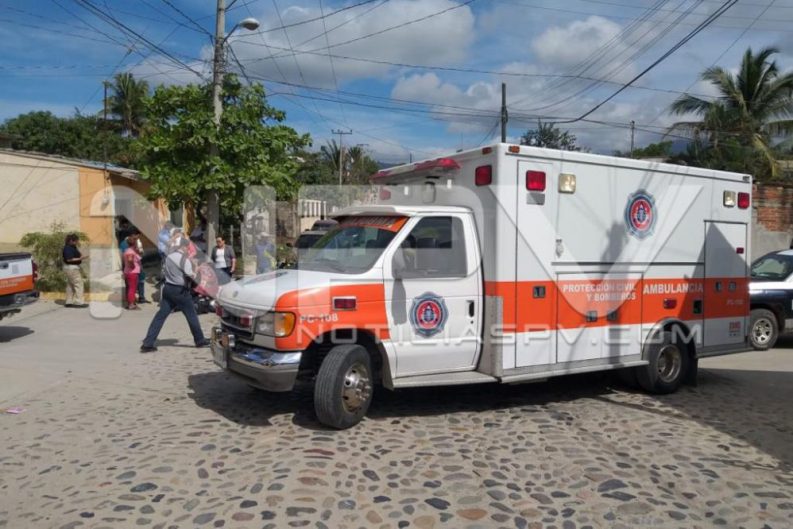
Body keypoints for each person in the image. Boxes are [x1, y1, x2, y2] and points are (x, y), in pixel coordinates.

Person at [140, 238, 210, 353]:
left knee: (160, 317)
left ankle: (148, 343)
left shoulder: (169, 257)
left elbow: (164, 271)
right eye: (188, 248)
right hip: (180, 291)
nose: (189, 250)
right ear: (183, 247)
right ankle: (200, 340)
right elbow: (191, 276)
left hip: (168, 288)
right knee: (191, 315)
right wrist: (197, 269)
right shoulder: (184, 259)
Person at [62, 233, 88, 308]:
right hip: (72, 267)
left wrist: (81, 256)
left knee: (70, 285)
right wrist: (80, 258)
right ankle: (79, 302)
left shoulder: (72, 247)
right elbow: (69, 259)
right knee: (78, 284)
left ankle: (69, 301)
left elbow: (77, 254)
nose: (77, 242)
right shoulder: (67, 248)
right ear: (71, 241)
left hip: (70, 268)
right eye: (75, 241)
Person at [123, 231, 142, 310]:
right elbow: (130, 260)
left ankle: (131, 302)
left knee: (131, 288)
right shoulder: (130, 251)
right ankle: (131, 304)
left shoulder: (129, 250)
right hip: (132, 273)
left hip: (130, 272)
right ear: (134, 243)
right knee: (132, 288)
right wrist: (133, 266)